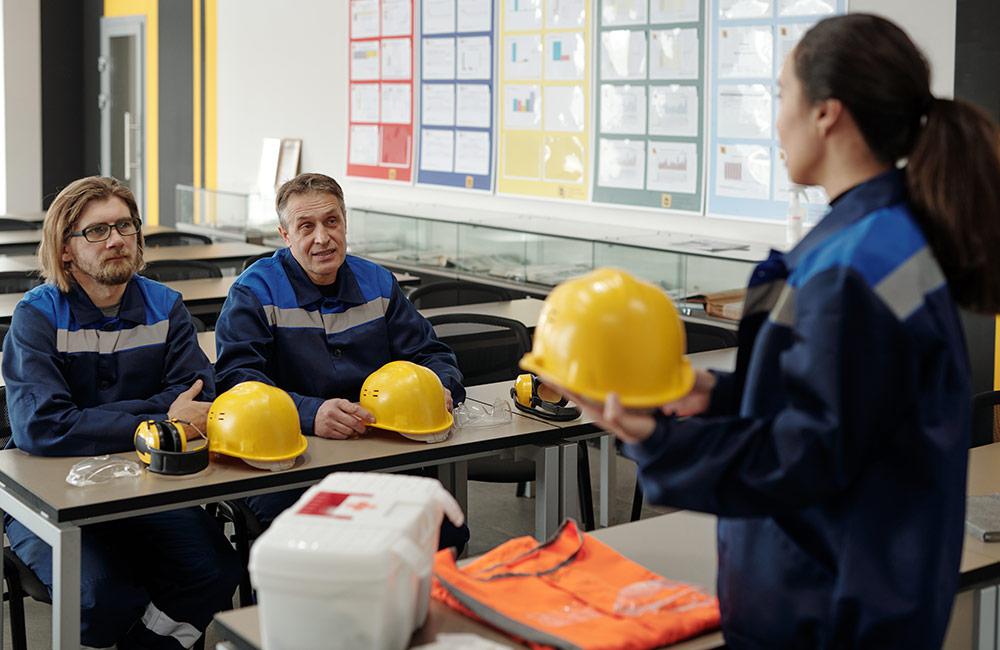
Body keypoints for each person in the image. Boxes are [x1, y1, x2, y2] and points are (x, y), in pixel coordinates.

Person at [557, 14, 1000, 649]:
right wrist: (720, 394)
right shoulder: (888, 239)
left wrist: (658, 438)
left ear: (827, 113)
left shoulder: (851, 266)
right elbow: (855, 407)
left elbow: (808, 453)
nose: (776, 120)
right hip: (875, 589)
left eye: (781, 95)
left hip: (832, 611)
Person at [1, 176, 241, 649]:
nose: (115, 239)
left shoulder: (164, 306)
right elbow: (42, 427)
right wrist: (158, 418)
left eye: (124, 226)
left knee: (215, 569)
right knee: (98, 597)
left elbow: (197, 394)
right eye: (96, 231)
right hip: (47, 494)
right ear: (65, 249)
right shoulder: (38, 315)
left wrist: (93, 418)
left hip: (143, 486)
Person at [214, 172, 469, 549]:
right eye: (306, 226)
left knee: (444, 529)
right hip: (287, 462)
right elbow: (237, 381)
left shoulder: (378, 283)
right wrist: (310, 413)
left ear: (345, 223)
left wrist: (440, 386)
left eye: (332, 221)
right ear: (284, 236)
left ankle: (405, 608)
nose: (322, 237)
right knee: (320, 543)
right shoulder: (254, 292)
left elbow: (432, 354)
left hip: (378, 452)